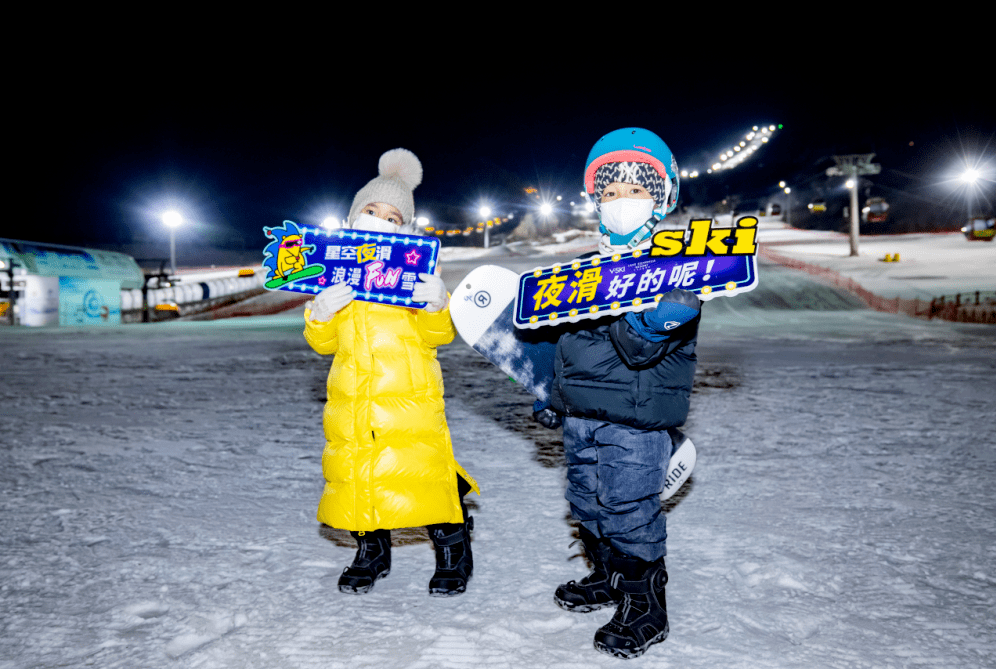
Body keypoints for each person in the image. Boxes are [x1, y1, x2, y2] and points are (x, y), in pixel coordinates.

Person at [536, 128, 701, 659]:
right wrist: (553, 393)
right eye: (610, 193)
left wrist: (655, 325)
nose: (620, 203)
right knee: (586, 502)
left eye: (635, 191)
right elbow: (568, 343)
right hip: (582, 415)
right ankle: (608, 579)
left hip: (636, 418)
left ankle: (645, 604)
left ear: (663, 199)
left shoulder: (674, 269)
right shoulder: (583, 269)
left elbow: (637, 351)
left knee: (629, 508)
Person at [303, 148, 479, 597]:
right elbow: (322, 344)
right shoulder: (332, 272)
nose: (382, 220)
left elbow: (439, 337)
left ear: (406, 229)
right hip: (355, 397)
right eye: (372, 209)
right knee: (361, 477)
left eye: (395, 217)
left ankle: (453, 550)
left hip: (409, 397)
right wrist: (320, 313)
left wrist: (438, 302)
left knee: (424, 474)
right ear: (353, 214)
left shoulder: (413, 272)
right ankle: (371, 551)